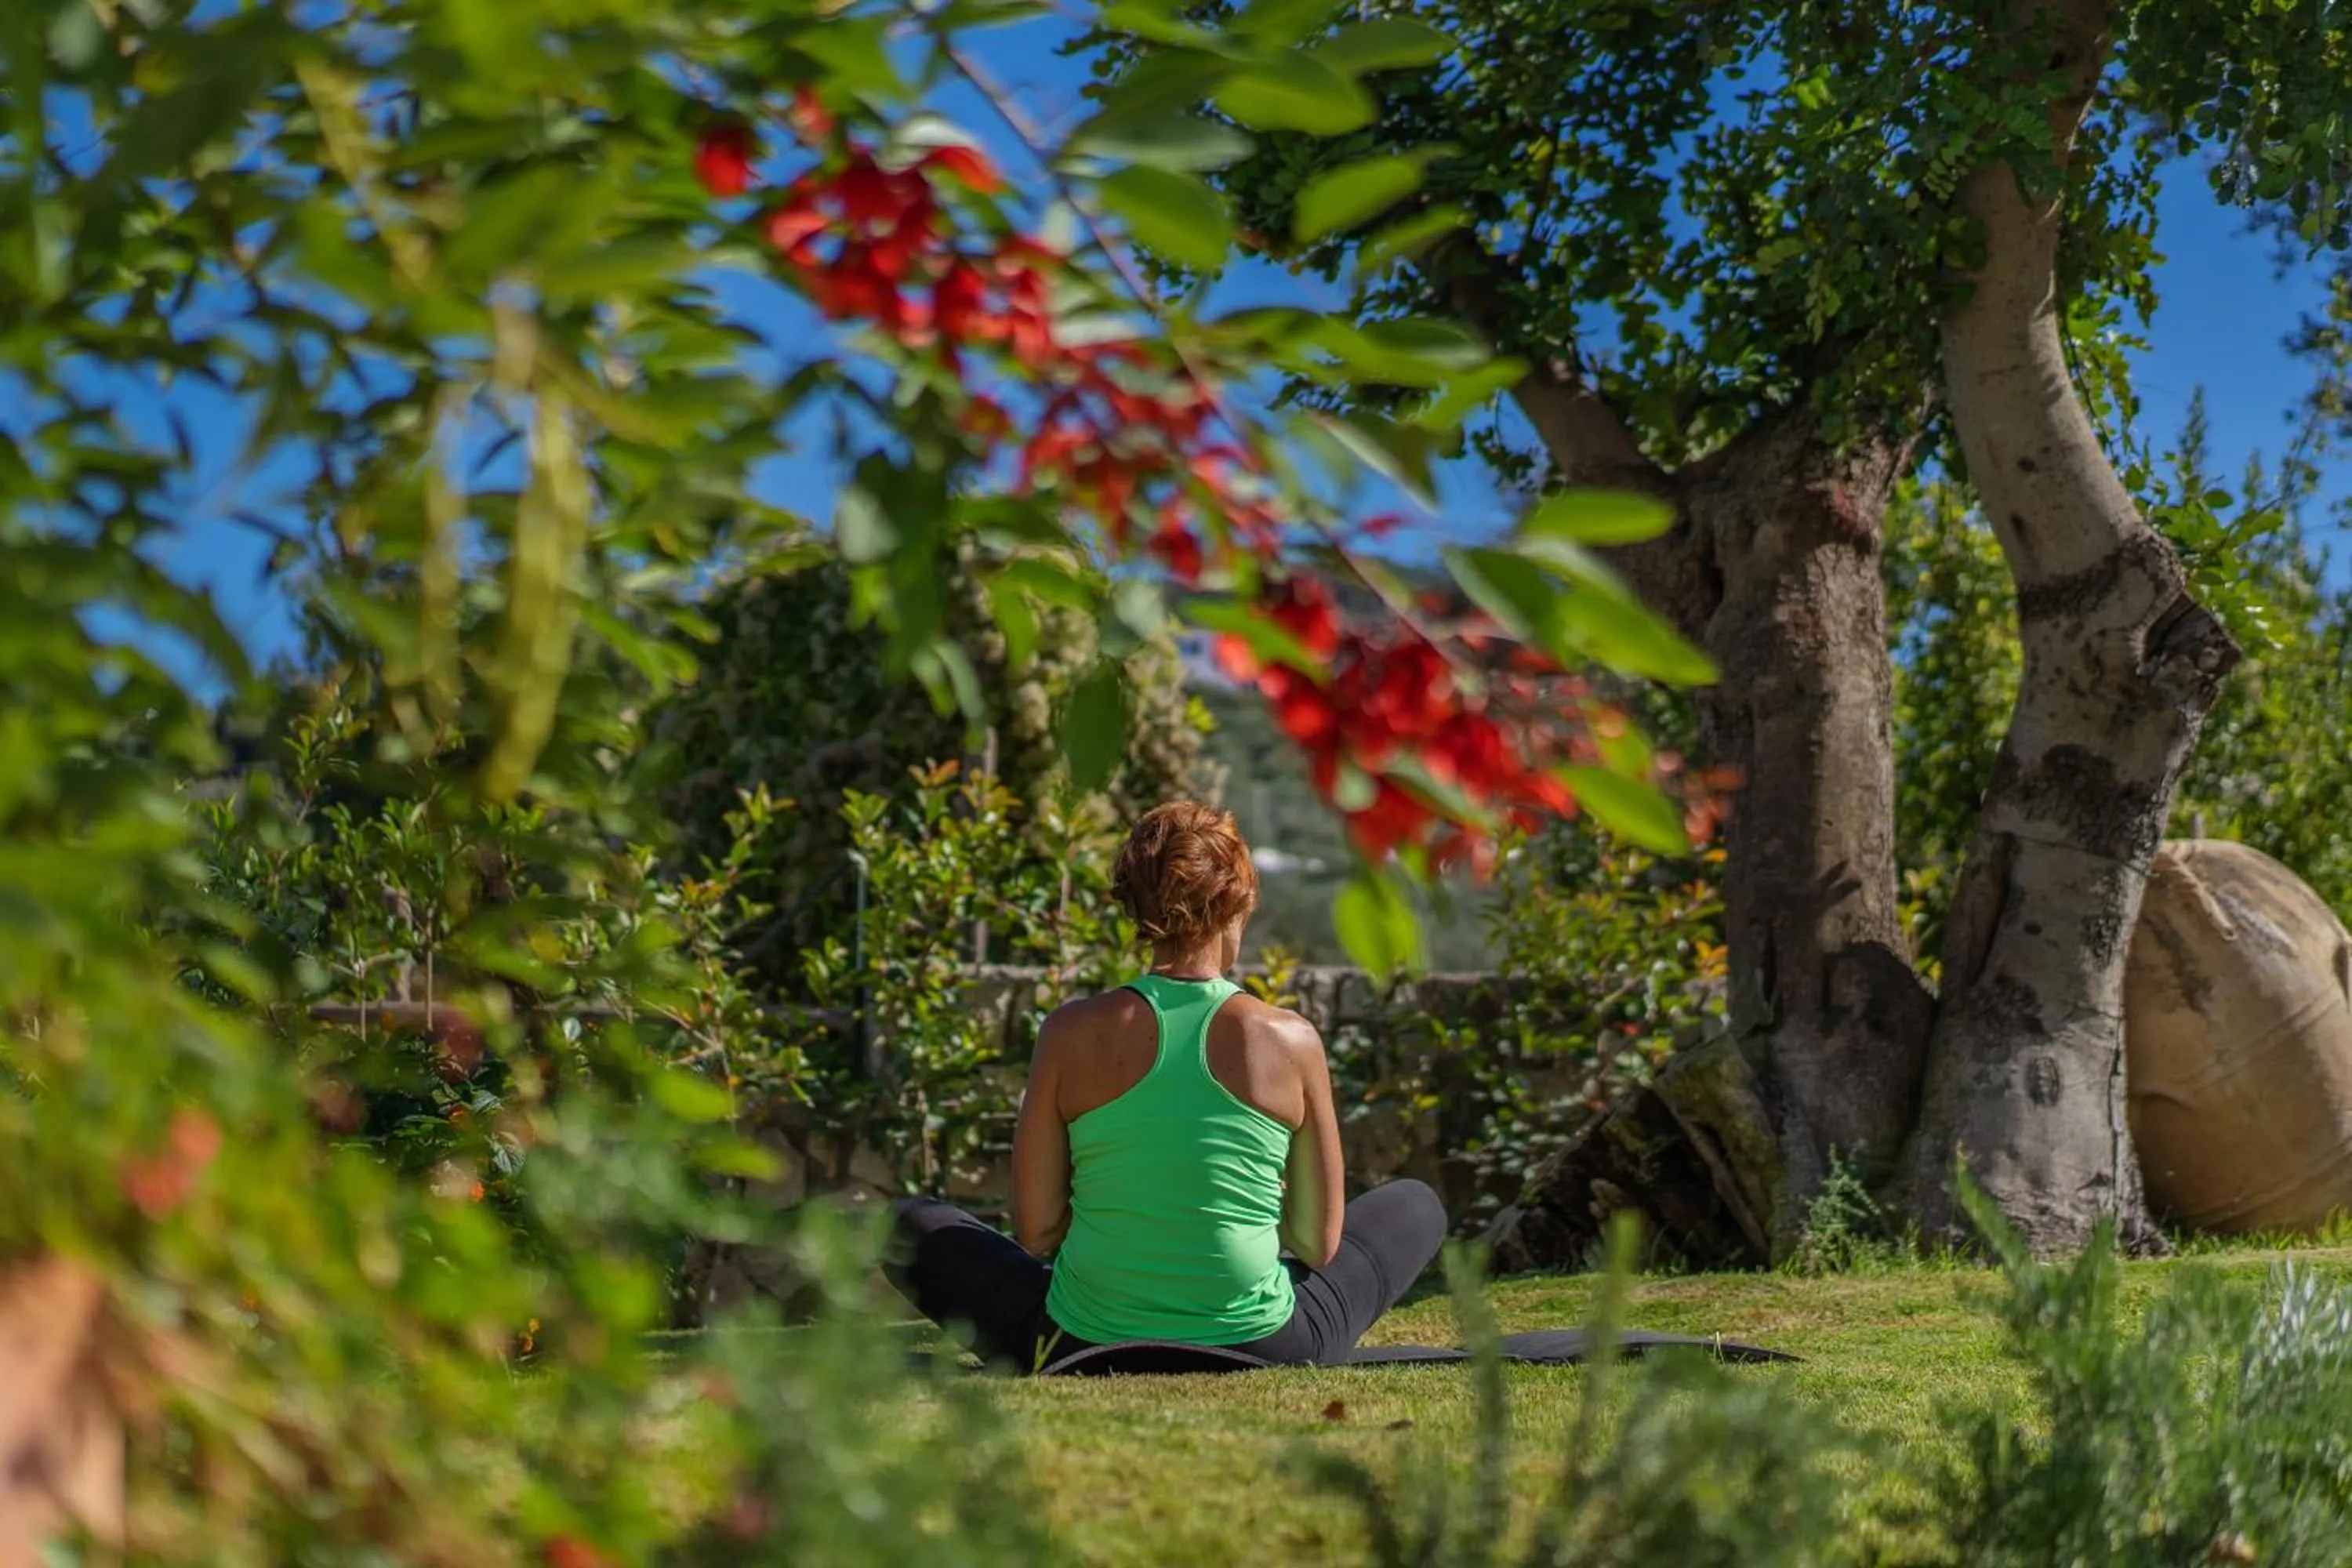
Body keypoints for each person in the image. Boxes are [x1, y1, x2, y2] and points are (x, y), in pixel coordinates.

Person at [884, 800, 1449, 1372]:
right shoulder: (1291, 1039)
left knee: (909, 1223)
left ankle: (1125, 1303)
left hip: (1080, 1342)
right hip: (1264, 1344)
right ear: (1241, 901)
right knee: (1416, 1206)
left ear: (1134, 905)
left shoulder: (1069, 1033)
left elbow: (1036, 1231)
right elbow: (1316, 1244)